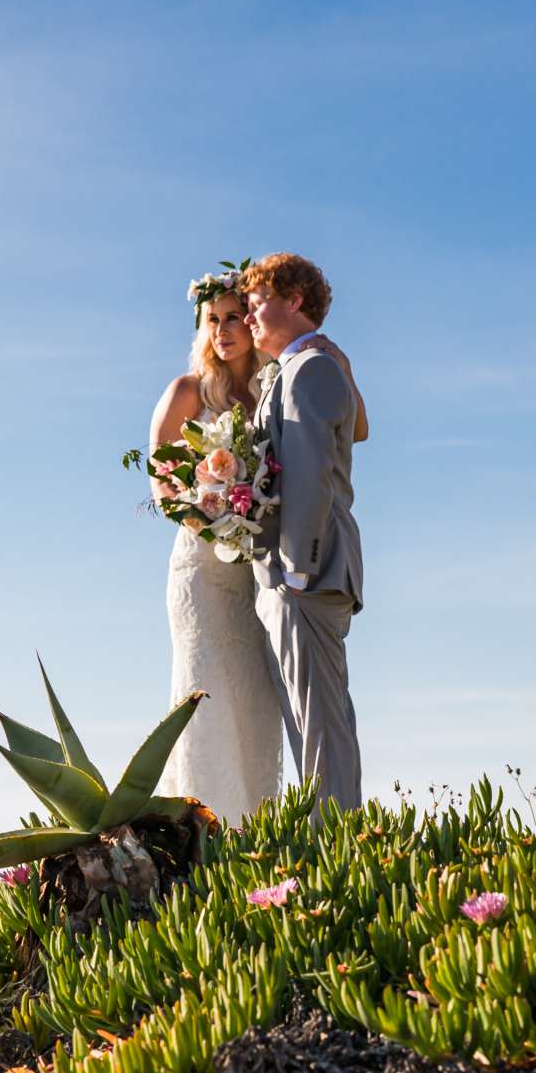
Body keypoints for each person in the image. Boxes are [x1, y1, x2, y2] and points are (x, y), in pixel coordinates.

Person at [149, 268, 366, 824]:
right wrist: (213, 521)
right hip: (205, 567)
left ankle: (260, 828)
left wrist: (329, 351)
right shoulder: (187, 392)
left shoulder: (284, 376)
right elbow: (161, 482)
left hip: (266, 568)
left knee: (262, 704)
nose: (225, 329)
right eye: (213, 321)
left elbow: (354, 427)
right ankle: (202, 831)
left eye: (234, 316)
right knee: (209, 696)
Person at [243, 252, 364, 813]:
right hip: (288, 577)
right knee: (307, 720)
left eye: (258, 302)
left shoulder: (312, 367)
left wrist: (296, 569)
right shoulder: (291, 371)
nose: (248, 318)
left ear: (295, 301)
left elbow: (313, 470)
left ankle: (338, 850)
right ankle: (328, 844)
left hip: (307, 573)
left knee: (321, 729)